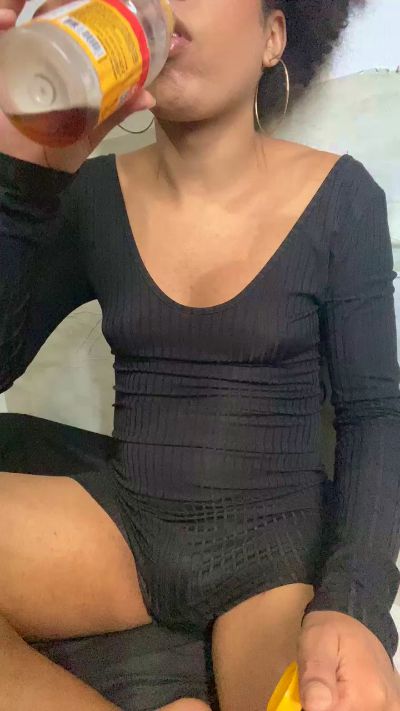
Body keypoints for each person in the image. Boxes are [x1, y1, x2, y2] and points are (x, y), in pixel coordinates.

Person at [0, 1, 399, 710]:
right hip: (126, 532)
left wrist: (356, 603)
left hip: (272, 563)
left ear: (274, 37)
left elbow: (376, 416)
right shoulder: (94, 194)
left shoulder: (343, 199)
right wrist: (26, 186)